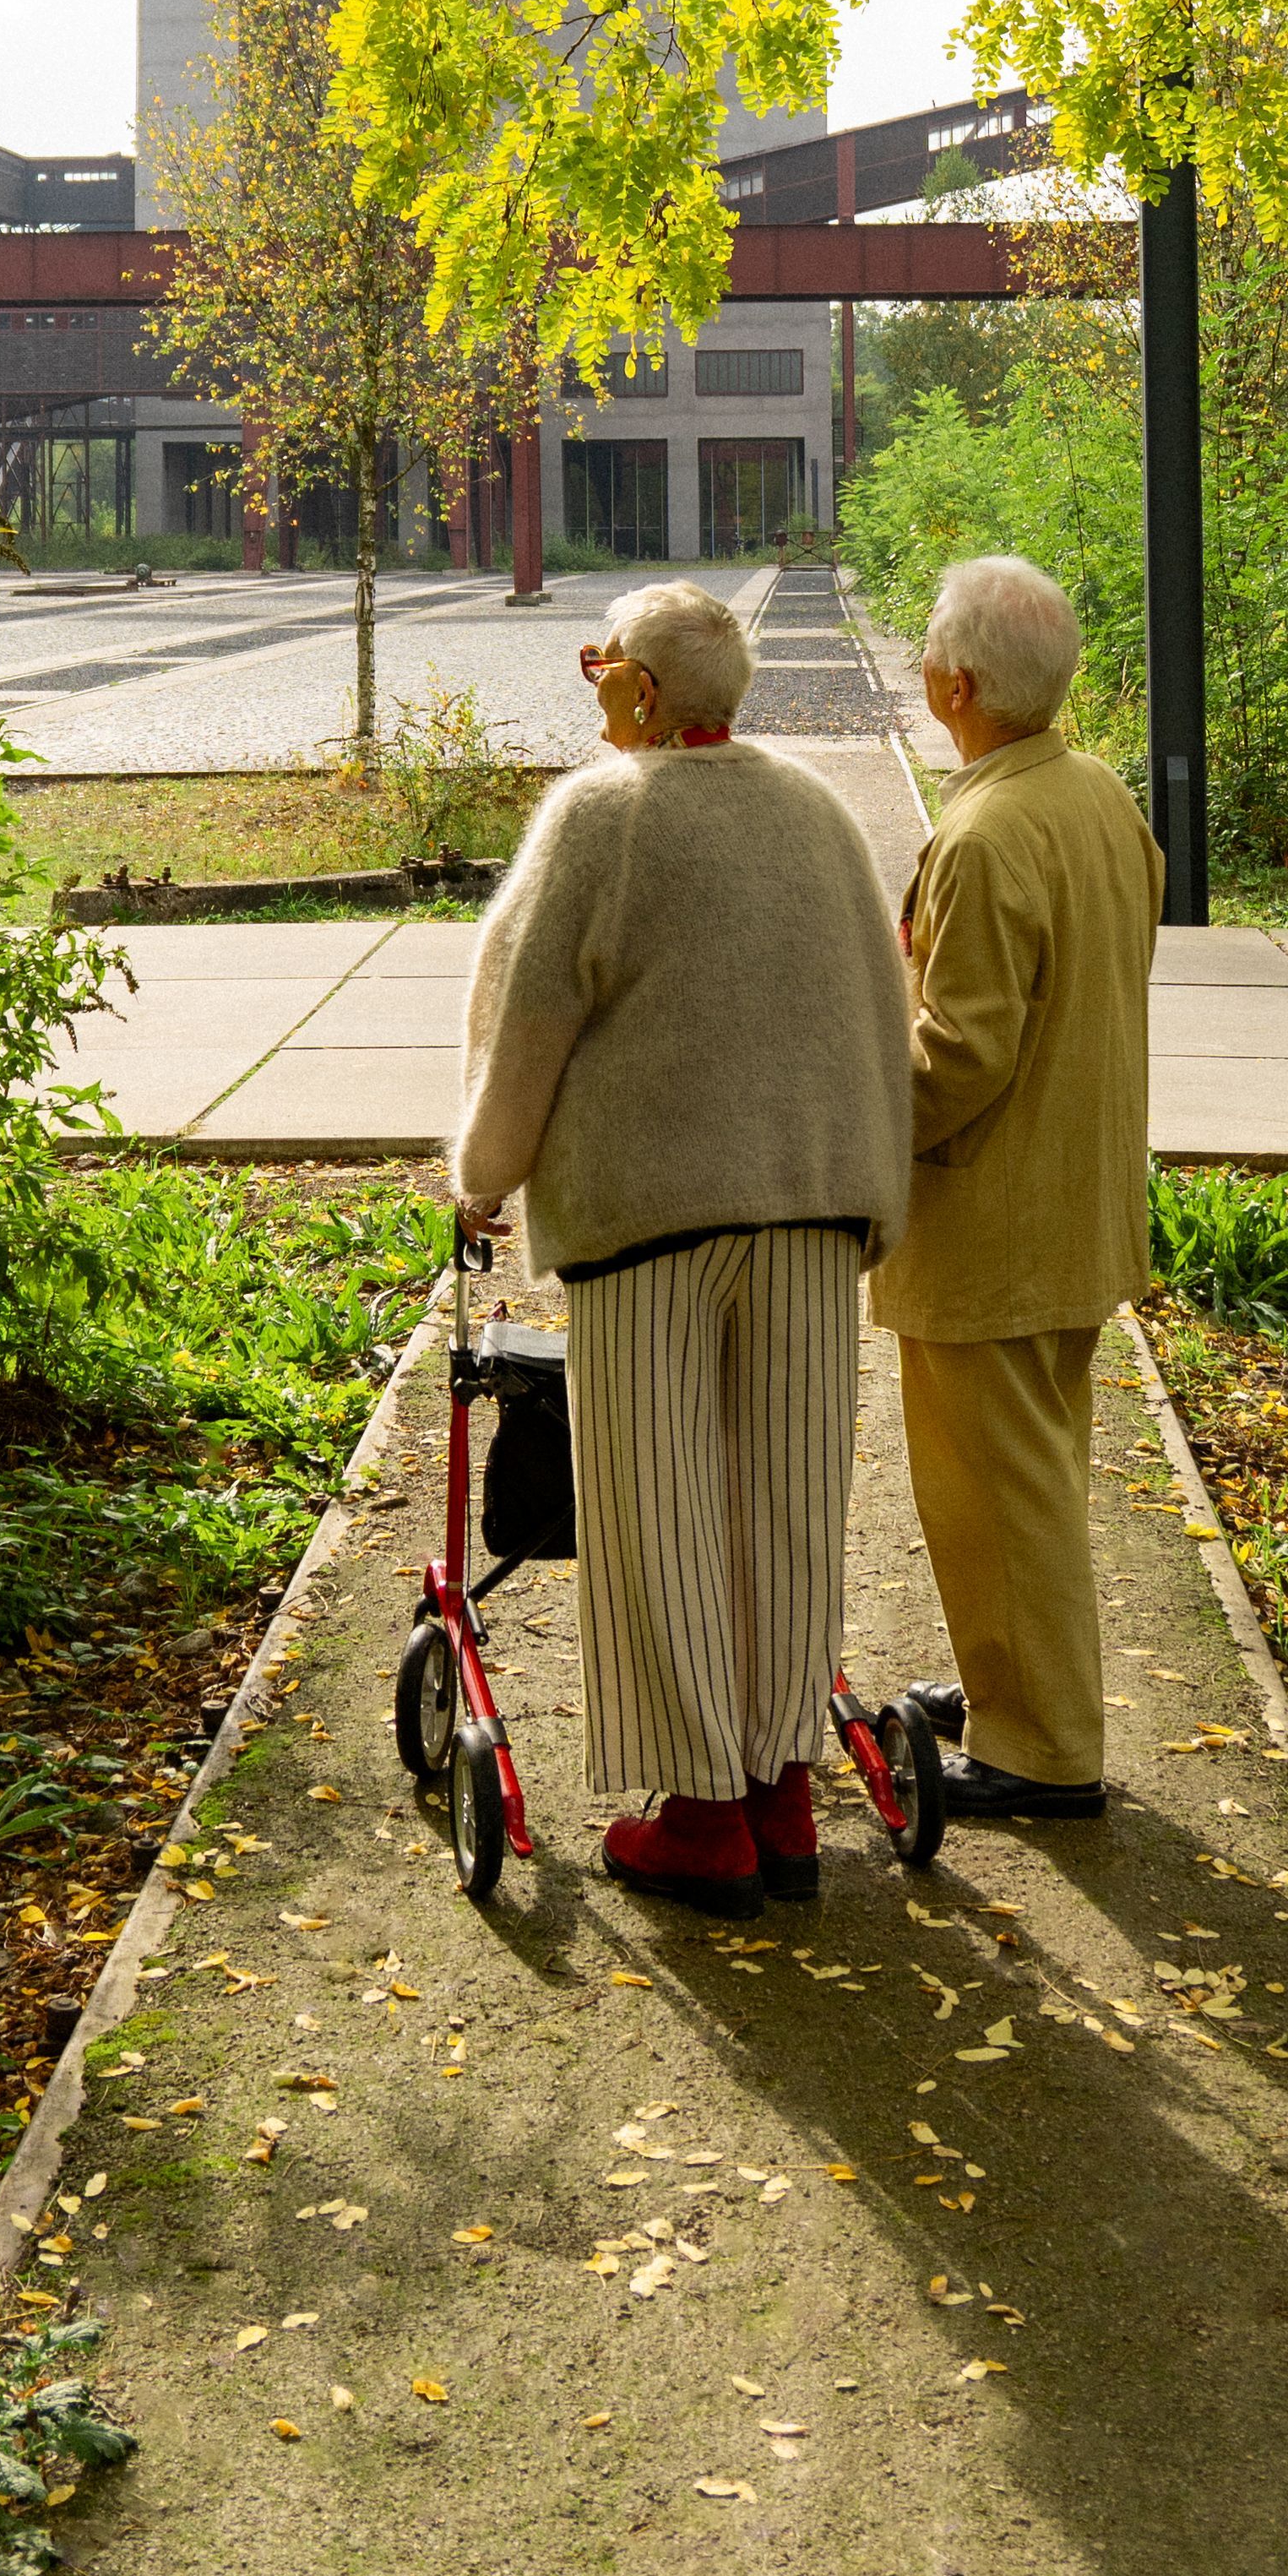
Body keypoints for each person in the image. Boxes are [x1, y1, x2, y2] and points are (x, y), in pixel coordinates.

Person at [448, 579, 914, 1910]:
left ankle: (704, 1816)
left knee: (657, 1506)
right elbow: (882, 1003)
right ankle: (782, 1793)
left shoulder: (605, 812)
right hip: (816, 1209)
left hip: (654, 1214)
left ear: (641, 692)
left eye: (599, 662)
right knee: (787, 1502)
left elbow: (526, 1009)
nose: (591, 680)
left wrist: (484, 1176)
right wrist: (876, 1190)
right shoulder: (821, 812)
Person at [878, 549, 1163, 1823]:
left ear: (954, 684)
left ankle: (1043, 1748)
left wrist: (854, 1127)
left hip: (989, 1220)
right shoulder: (1099, 794)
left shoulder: (985, 833)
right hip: (1075, 1199)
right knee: (1032, 1476)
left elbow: (961, 1055)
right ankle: (1011, 1694)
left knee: (1000, 1493)